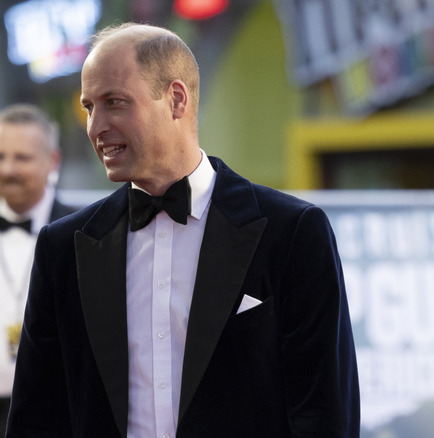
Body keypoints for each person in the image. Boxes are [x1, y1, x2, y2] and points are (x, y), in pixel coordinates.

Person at [6, 22, 360, 437]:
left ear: (176, 99)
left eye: (114, 102)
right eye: (88, 107)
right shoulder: (64, 247)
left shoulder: (293, 232)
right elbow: (36, 416)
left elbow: (325, 411)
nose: (96, 126)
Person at [0, 103, 77, 433]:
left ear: (53, 161)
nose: (8, 169)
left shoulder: (85, 233)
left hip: (57, 415)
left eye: (22, 158)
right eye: (1, 156)